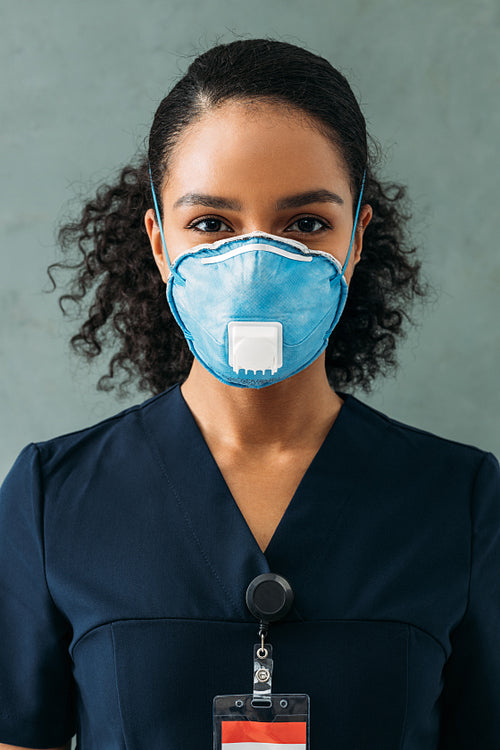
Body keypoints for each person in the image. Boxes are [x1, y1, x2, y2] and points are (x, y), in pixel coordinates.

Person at [0, 38, 498, 750]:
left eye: (305, 224)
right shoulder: (51, 500)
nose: (255, 267)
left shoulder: (463, 500)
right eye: (210, 225)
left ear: (356, 238)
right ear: (159, 241)